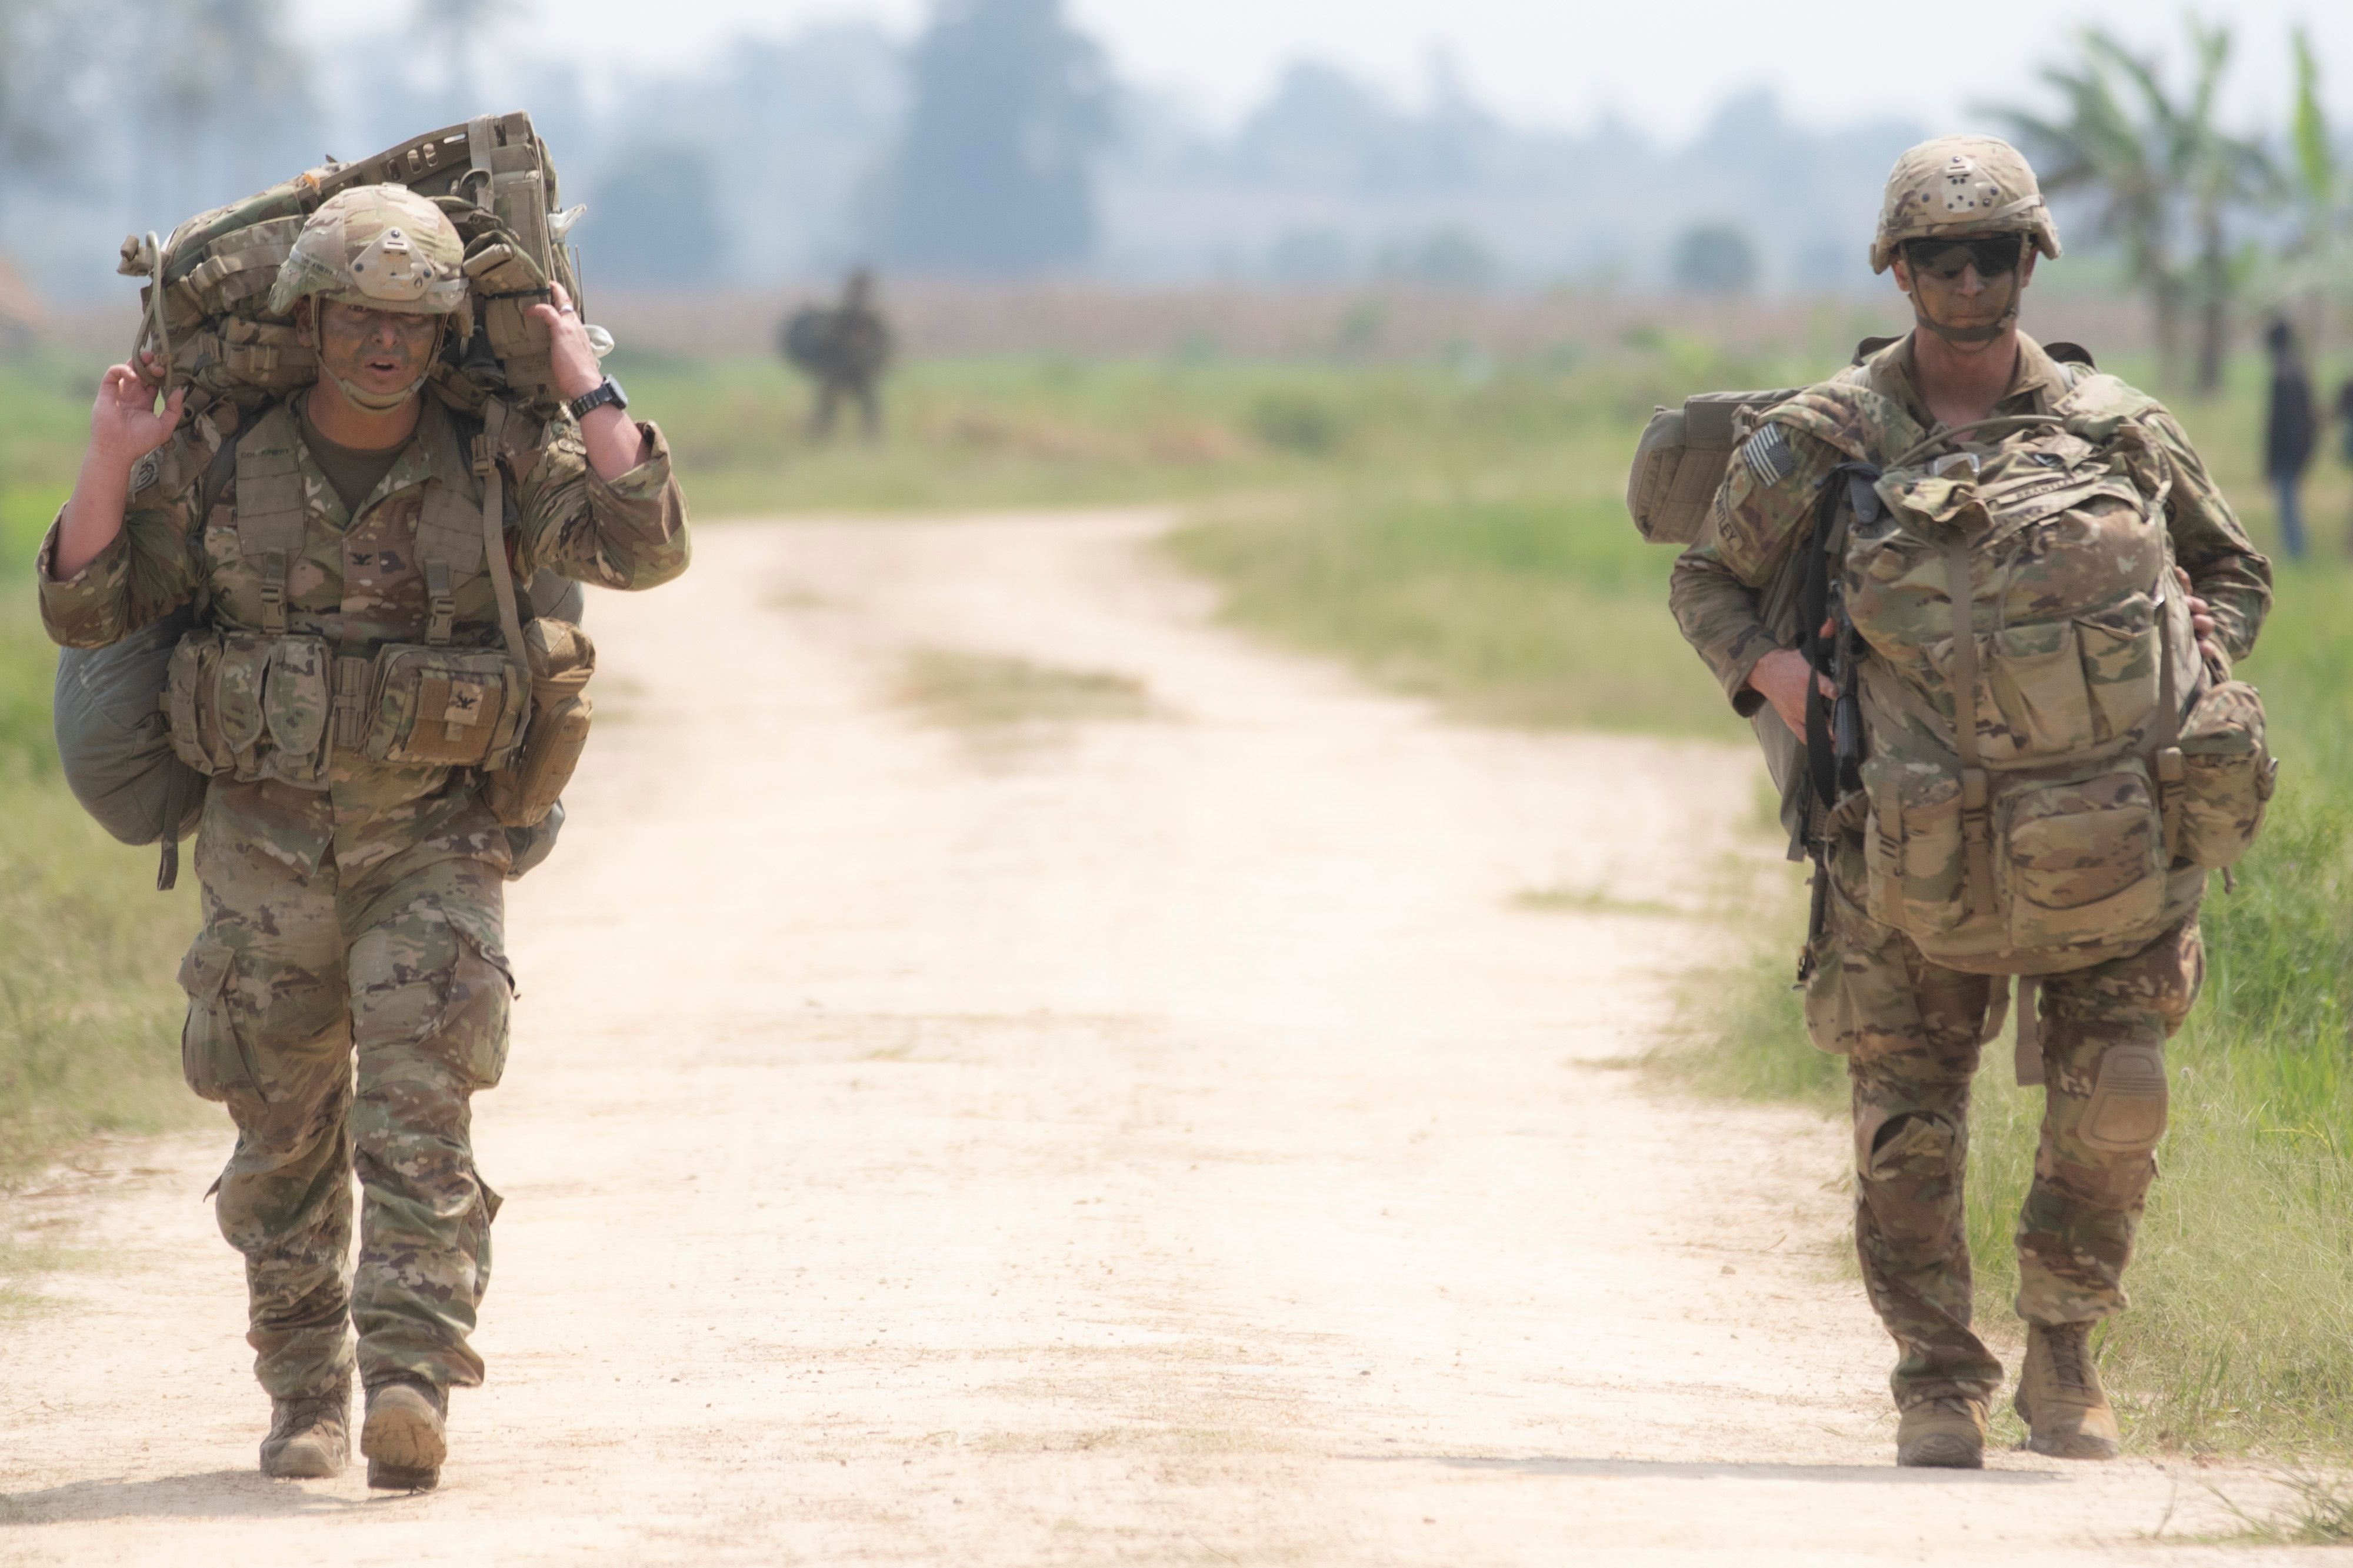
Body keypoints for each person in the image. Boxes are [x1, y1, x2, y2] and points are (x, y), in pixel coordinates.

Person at [37, 185, 691, 1490]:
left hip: (434, 842)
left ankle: (406, 1379)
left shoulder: (497, 456)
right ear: (313, 318)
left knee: (421, 1115)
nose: (384, 345)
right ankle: (301, 1393)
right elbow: (91, 602)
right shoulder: (228, 458)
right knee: (279, 1136)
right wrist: (115, 450)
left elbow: (648, 542)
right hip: (261, 847)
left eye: (410, 320)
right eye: (359, 318)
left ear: (442, 330)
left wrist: (582, 377)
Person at [1669, 136, 2271, 1469]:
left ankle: (2063, 1349)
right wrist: (1771, 670)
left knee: (2113, 1101)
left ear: (2029, 260)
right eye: (1938, 255)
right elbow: (1703, 577)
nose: (1966, 278)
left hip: (2108, 839)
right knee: (1905, 1129)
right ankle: (1935, 1374)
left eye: (1992, 251)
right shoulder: (1820, 440)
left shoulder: (2116, 428)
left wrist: (2196, 647)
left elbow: (2233, 569)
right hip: (1901, 843)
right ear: (1895, 267)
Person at [778, 267, 895, 441]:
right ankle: (822, 440)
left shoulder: (860, 317)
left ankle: (865, 440)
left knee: (863, 407)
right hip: (839, 369)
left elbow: (880, 344)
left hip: (854, 370)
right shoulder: (842, 316)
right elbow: (828, 338)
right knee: (832, 408)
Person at [2262, 318, 2317, 561]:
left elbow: (2277, 425)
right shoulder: (2298, 370)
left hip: (2286, 453)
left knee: (2288, 506)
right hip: (2297, 451)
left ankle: (2296, 553)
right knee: (2289, 503)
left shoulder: (2282, 374)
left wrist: (2271, 459)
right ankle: (2296, 551)